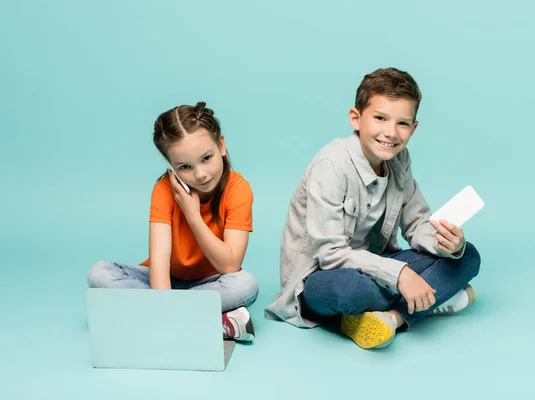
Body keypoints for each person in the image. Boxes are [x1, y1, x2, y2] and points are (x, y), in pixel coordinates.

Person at [265, 68, 481, 349]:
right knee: (353, 291)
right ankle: (433, 297)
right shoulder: (330, 166)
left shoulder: (399, 159)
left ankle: (393, 319)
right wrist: (401, 275)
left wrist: (447, 244)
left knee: (467, 256)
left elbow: (417, 224)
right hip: (322, 279)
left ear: (413, 128)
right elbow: (331, 255)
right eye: (380, 118)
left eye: (402, 123)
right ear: (356, 118)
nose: (390, 133)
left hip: (374, 264)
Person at [88, 101, 258, 341]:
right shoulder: (164, 190)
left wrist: (192, 215)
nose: (200, 174)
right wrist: (163, 301)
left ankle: (149, 317)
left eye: (206, 158)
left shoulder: (238, 189)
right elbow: (159, 261)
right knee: (99, 273)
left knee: (245, 284)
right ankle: (208, 321)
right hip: (163, 280)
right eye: (185, 167)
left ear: (221, 145)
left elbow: (229, 266)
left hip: (211, 281)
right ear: (171, 166)